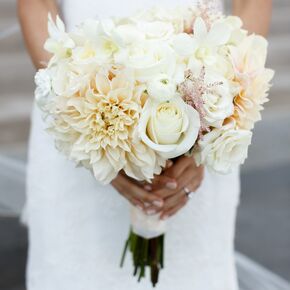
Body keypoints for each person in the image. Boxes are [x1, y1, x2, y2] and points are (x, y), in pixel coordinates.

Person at [18, 0, 272, 289]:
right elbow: (35, 5)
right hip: (81, 104)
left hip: (203, 92)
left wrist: (209, 133)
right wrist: (88, 130)